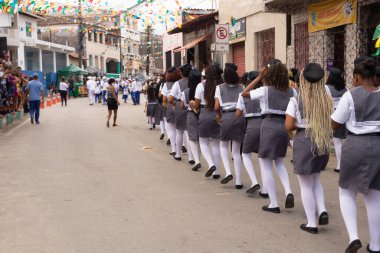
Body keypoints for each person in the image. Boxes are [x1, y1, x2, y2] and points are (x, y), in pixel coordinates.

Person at [331, 57, 380, 253]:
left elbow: (335, 123)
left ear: (357, 77)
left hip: (356, 144)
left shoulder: (350, 96)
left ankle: (354, 237)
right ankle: (376, 245)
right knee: (375, 196)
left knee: (346, 191)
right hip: (378, 145)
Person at [242, 59, 295, 214]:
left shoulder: (265, 90)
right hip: (284, 126)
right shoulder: (292, 91)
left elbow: (244, 94)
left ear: (269, 74)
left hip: (269, 124)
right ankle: (288, 191)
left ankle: (273, 203)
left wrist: (258, 78)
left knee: (265, 165)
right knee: (279, 162)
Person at [285, 63, 332, 234]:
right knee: (316, 179)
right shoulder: (326, 97)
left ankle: (311, 223)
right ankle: (322, 210)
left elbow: (289, 125)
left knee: (305, 185)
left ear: (302, 80)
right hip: (323, 139)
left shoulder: (296, 99)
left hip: (304, 139)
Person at [214, 63, 246, 188]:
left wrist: (219, 115)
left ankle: (228, 172)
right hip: (239, 117)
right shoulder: (242, 87)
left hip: (226, 116)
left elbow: (217, 107)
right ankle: (239, 181)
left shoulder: (219, 88)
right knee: (236, 151)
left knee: (223, 146)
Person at [236, 71, 267, 196]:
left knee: (245, 154)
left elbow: (238, 114)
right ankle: (265, 189)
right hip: (265, 123)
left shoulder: (243, 95)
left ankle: (254, 182)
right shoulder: (265, 92)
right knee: (263, 158)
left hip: (251, 124)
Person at [194, 63, 223, 179]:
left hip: (205, 114)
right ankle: (216, 172)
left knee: (203, 142)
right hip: (218, 115)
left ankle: (211, 164)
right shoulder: (221, 86)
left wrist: (192, 104)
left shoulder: (200, 86)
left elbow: (196, 105)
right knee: (216, 144)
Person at [325, 68, 348, 173]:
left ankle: (338, 165)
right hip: (345, 116)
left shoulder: (326, 88)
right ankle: (342, 164)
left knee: (334, 141)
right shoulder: (346, 88)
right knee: (341, 141)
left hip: (333, 116)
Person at [168, 64, 192, 161]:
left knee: (179, 132)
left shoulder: (177, 83)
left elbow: (170, 99)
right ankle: (191, 157)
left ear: (181, 73)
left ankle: (178, 154)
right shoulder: (195, 82)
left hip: (179, 107)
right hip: (191, 107)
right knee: (189, 133)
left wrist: (175, 104)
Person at [181, 68, 202, 171]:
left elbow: (182, 105)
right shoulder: (204, 89)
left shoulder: (186, 92)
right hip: (203, 114)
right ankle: (199, 159)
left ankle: (196, 161)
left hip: (191, 115)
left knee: (192, 139)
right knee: (201, 139)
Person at [161, 67, 180, 156]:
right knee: (180, 130)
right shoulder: (180, 83)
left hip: (170, 107)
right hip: (180, 107)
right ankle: (181, 148)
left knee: (171, 129)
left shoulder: (166, 84)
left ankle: (173, 150)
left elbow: (164, 99)